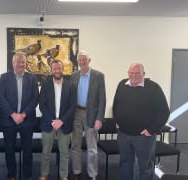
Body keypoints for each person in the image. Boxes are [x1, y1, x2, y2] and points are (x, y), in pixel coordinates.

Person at [113, 63, 170, 180]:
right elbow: (116, 105)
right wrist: (117, 120)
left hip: (144, 136)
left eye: (137, 73)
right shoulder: (122, 84)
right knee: (125, 164)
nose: (133, 76)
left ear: (143, 74)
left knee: (145, 167)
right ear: (128, 73)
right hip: (123, 134)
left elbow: (164, 112)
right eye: (131, 73)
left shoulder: (153, 88)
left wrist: (151, 130)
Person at [0, 52, 39, 180]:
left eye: (23, 62)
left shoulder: (32, 78)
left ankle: (28, 175)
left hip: (27, 120)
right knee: (9, 149)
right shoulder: (4, 77)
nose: (21, 64)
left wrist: (23, 114)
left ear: (26, 63)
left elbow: (35, 98)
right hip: (8, 120)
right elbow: (1, 97)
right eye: (18, 62)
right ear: (13, 63)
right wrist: (12, 114)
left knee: (27, 150)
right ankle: (11, 174)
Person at [70, 50, 106, 180]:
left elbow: (102, 99)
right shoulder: (73, 76)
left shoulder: (98, 76)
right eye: (80, 60)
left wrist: (99, 119)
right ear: (77, 61)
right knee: (75, 144)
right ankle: (76, 171)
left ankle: (92, 173)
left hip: (92, 114)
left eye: (84, 59)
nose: (82, 62)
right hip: (76, 113)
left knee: (92, 147)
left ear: (89, 60)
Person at [39, 60, 76, 180]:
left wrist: (62, 121)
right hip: (48, 124)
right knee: (46, 153)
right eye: (55, 69)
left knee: (65, 153)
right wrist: (52, 120)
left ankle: (63, 176)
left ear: (63, 69)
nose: (57, 71)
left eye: (59, 68)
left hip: (64, 125)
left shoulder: (71, 86)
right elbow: (42, 105)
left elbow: (72, 106)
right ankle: (44, 174)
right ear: (51, 70)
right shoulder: (45, 85)